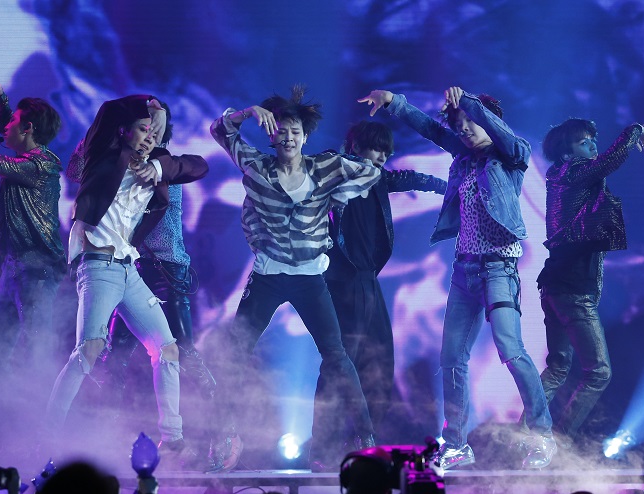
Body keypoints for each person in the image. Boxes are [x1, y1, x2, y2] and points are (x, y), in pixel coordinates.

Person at [359, 87, 555, 470]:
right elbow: (432, 129)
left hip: (499, 269)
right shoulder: (463, 157)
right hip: (464, 271)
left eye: (471, 123)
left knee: (511, 350)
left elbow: (504, 136)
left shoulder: (511, 156)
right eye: (460, 125)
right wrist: (394, 102)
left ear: (488, 121)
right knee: (451, 359)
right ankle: (457, 445)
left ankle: (542, 434)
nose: (464, 130)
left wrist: (467, 103)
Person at [209, 85, 381, 471]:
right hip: (268, 275)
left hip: (309, 276)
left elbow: (370, 173)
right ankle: (225, 435)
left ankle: (364, 436)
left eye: (295, 132)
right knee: (235, 352)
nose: (288, 137)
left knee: (336, 355)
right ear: (272, 136)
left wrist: (340, 195)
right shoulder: (256, 166)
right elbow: (220, 130)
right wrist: (247, 112)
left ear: (305, 137)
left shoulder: (325, 166)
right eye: (282, 131)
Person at [66, 103, 239, 472]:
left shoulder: (161, 166)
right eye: (144, 126)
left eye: (155, 129)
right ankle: (92, 435)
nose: (149, 133)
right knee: (104, 354)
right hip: (120, 266)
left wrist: (156, 162)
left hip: (161, 270)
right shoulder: (111, 159)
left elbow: (196, 165)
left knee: (177, 351)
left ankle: (213, 431)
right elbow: (79, 166)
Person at [537, 119, 644, 444]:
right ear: (567, 153)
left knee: (558, 367)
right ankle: (557, 442)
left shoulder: (562, 178)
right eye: (583, 142)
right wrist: (635, 130)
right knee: (599, 372)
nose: (593, 144)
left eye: (593, 138)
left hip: (556, 285)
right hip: (573, 288)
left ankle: (525, 436)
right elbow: (610, 160)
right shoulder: (574, 173)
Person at [326, 120, 447, 438]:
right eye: (376, 149)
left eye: (386, 152)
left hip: (368, 281)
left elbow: (410, 178)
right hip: (344, 281)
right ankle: (326, 441)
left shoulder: (378, 180)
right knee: (343, 360)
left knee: (379, 358)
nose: (382, 157)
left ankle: (363, 436)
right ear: (355, 147)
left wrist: (447, 187)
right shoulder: (335, 171)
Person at [0, 81, 66, 433]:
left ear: (28, 129)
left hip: (37, 274)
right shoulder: (29, 155)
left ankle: (45, 431)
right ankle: (13, 427)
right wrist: (0, 101)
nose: (5, 126)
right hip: (16, 271)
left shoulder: (38, 166)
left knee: (36, 357)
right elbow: (13, 125)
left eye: (12, 122)